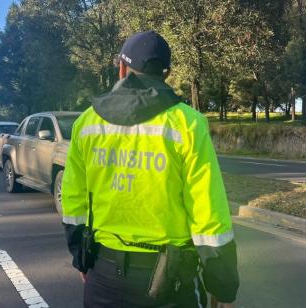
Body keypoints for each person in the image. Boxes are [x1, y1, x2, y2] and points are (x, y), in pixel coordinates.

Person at [61, 31, 239, 307]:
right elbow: (208, 214)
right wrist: (222, 286)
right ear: (166, 74)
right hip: (170, 281)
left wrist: (82, 260)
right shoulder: (188, 123)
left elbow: (74, 203)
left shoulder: (87, 123)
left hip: (104, 274)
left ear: (122, 67)